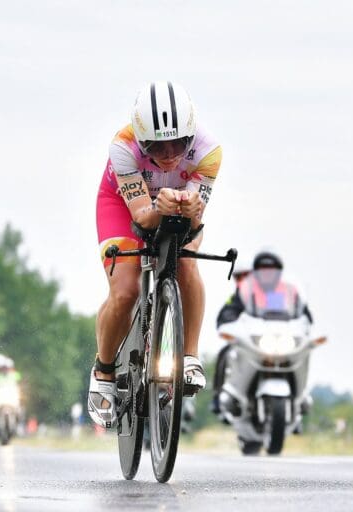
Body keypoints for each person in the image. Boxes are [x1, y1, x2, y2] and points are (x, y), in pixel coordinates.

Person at [88, 81, 222, 427]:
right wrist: (157, 206)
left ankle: (189, 357)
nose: (168, 155)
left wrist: (191, 209)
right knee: (126, 290)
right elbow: (143, 218)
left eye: (178, 144)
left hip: (174, 204)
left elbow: (195, 219)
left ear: (190, 136)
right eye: (157, 147)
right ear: (141, 139)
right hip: (123, 204)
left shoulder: (209, 152)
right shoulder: (123, 147)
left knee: (187, 262)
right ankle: (103, 370)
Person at [210, 250, 312, 414]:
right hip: (256, 340)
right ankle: (218, 396)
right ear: (256, 273)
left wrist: (305, 325)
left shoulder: (288, 291)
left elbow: (304, 314)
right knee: (225, 352)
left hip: (283, 339)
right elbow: (229, 311)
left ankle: (300, 398)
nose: (267, 274)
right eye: (262, 270)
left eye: (271, 270)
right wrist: (230, 322)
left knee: (303, 353)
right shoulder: (245, 292)